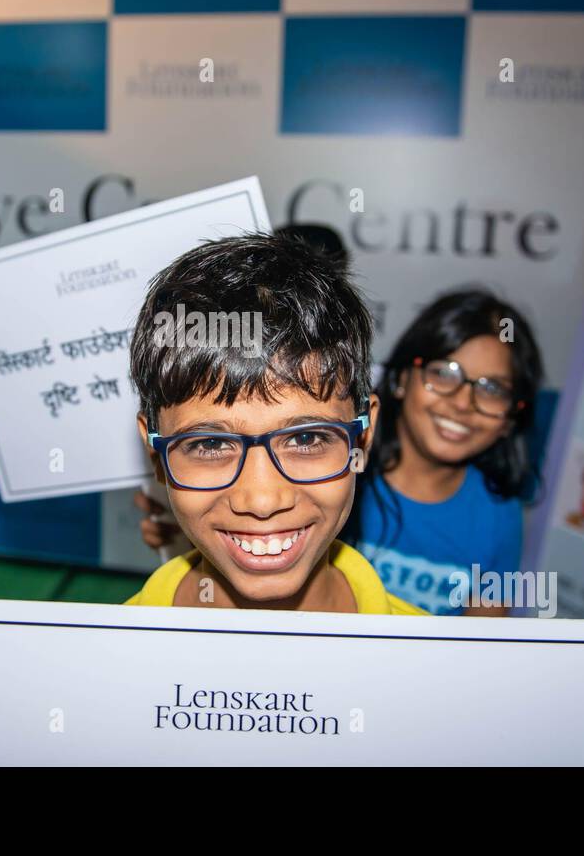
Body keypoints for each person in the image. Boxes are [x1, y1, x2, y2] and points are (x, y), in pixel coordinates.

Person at [124, 232, 422, 614]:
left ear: (362, 438)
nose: (262, 501)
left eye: (306, 438)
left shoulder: (436, 663)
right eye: (210, 445)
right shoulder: (98, 666)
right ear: (155, 452)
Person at [338, 290, 544, 615]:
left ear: (510, 419)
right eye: (444, 373)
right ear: (403, 378)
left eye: (492, 389)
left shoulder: (501, 514)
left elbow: (484, 643)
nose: (462, 403)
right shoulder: (339, 474)